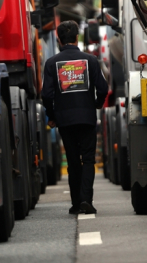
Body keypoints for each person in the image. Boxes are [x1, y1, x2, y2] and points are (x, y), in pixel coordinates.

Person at [42, 21, 108, 215]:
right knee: (88, 160)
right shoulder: (90, 61)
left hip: (65, 120)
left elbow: (46, 95)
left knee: (72, 162)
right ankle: (86, 199)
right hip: (87, 117)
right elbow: (103, 88)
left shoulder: (52, 63)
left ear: (59, 38)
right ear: (77, 37)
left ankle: (76, 203)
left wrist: (51, 115)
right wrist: (96, 103)